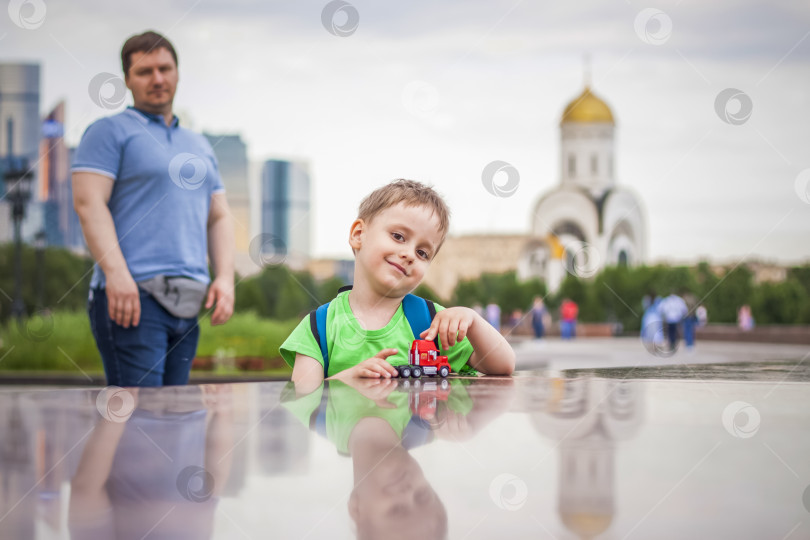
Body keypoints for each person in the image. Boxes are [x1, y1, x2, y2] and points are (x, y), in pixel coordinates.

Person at [72, 31, 234, 387]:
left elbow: (218, 215)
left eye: (165, 68)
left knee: (173, 423)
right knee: (140, 422)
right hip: (132, 298)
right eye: (145, 71)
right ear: (128, 79)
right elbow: (88, 204)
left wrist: (224, 277)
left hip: (189, 299)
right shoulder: (108, 132)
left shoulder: (199, 144)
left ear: (177, 73)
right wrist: (116, 275)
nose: (157, 79)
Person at [280, 180, 515, 386]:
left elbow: (503, 366)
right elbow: (303, 399)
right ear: (359, 234)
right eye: (398, 237)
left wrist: (472, 321)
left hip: (410, 436)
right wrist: (348, 378)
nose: (409, 254)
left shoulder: (432, 323)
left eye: (423, 252)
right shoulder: (318, 327)